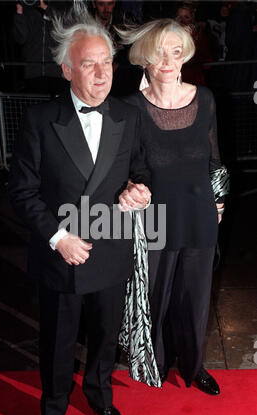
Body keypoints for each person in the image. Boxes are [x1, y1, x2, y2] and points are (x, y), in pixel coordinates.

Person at [8, 10, 151, 415]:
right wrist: (59, 238)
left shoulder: (129, 116)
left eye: (107, 61)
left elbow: (140, 171)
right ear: (67, 69)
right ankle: (51, 412)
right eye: (89, 63)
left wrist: (139, 191)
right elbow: (22, 191)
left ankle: (101, 399)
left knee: (106, 336)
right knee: (57, 340)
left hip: (109, 249)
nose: (102, 72)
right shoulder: (40, 120)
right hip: (61, 253)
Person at [118, 19, 229, 395]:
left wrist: (219, 201)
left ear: (185, 57)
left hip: (200, 215)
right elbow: (126, 167)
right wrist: (129, 189)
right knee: (157, 296)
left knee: (196, 299)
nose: (168, 60)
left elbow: (215, 160)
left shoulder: (206, 99)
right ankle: (157, 362)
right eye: (160, 53)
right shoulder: (131, 108)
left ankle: (194, 365)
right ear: (145, 60)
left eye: (176, 52)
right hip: (156, 219)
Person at [12, 0, 64, 93]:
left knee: (54, 104)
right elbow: (21, 39)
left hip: (54, 72)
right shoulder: (29, 14)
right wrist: (19, 13)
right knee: (36, 102)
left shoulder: (58, 12)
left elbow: (63, 31)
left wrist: (46, 8)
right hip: (33, 71)